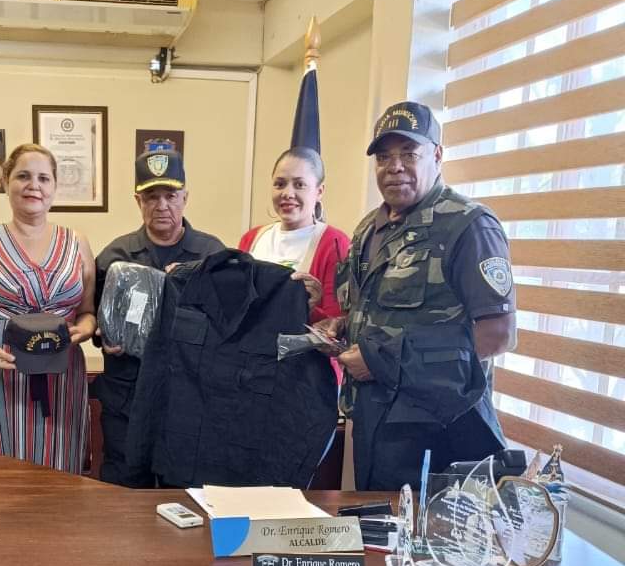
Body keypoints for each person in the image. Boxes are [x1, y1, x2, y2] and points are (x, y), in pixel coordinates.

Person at [314, 101, 517, 492]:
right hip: (375, 422)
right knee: (375, 526)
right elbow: (372, 310)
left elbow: (497, 336)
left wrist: (383, 361)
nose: (394, 167)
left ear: (437, 156)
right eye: (384, 157)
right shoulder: (369, 229)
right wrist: (341, 327)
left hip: (439, 429)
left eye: (409, 153)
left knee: (424, 530)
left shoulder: (469, 226)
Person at [0, 143, 96, 473]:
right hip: (0, 373)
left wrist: (85, 330)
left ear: (55, 187)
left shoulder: (77, 242)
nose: (34, 185)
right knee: (0, 472)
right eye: (23, 176)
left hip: (61, 373)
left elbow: (88, 312)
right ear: (6, 182)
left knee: (61, 466)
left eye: (44, 178)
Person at [93, 150, 224, 486]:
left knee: (183, 494)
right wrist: (103, 338)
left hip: (187, 398)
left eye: (171, 195)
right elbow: (95, 319)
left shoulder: (213, 255)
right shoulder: (115, 257)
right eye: (151, 196)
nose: (162, 205)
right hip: (127, 396)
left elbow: (227, 326)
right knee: (123, 489)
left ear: (185, 198)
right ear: (138, 201)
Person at [237, 146, 350, 323]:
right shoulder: (251, 239)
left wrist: (309, 308)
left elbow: (338, 324)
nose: (287, 193)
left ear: (319, 191)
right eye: (280, 184)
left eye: (299, 185)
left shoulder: (334, 243)